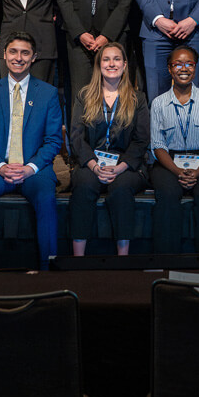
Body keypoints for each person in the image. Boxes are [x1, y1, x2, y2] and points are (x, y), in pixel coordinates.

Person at [0, 32, 65, 269]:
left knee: (47, 200)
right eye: (14, 52)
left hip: (33, 169)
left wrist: (30, 168)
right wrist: (0, 166)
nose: (19, 58)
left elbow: (52, 141)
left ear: (34, 57)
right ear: (4, 55)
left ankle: (48, 270)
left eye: (25, 53)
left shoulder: (47, 94)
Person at [67, 44, 151, 256]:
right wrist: (94, 167)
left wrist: (120, 168)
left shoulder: (137, 99)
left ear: (124, 65)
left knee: (121, 190)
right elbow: (76, 137)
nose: (111, 64)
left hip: (126, 166)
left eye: (116, 59)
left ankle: (122, 260)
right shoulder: (84, 95)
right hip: (92, 162)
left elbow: (141, 141)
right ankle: (78, 259)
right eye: (106, 59)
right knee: (84, 186)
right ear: (99, 65)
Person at [149, 45, 199, 254]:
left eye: (189, 64)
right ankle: (167, 258)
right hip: (168, 163)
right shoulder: (158, 104)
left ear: (196, 67)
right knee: (167, 193)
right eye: (178, 64)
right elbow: (157, 145)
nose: (184, 68)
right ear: (169, 69)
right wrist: (177, 171)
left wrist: (198, 172)